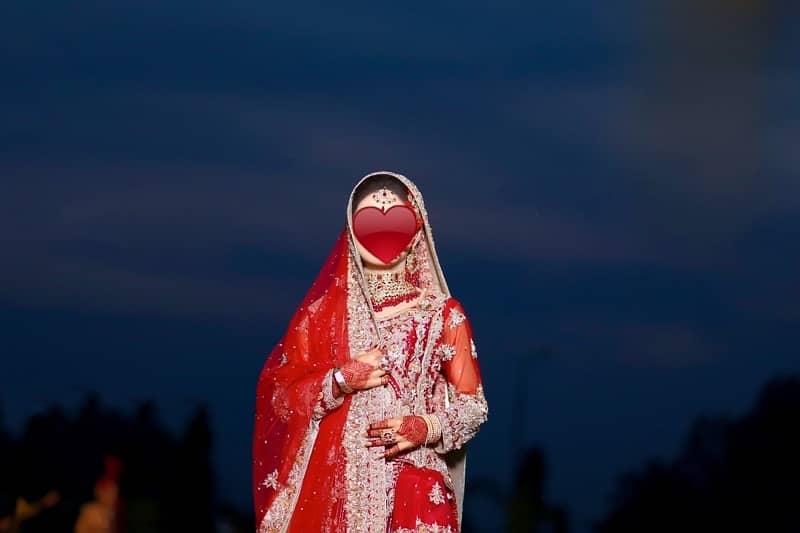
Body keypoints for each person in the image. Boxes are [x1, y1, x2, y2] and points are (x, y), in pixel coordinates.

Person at [253, 171, 488, 532]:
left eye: (398, 222)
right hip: (338, 490)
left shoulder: (442, 314)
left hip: (415, 487)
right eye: (369, 223)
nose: (384, 235)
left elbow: (473, 406)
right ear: (350, 230)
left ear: (416, 233)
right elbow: (281, 398)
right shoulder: (321, 317)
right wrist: (339, 380)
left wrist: (425, 427)